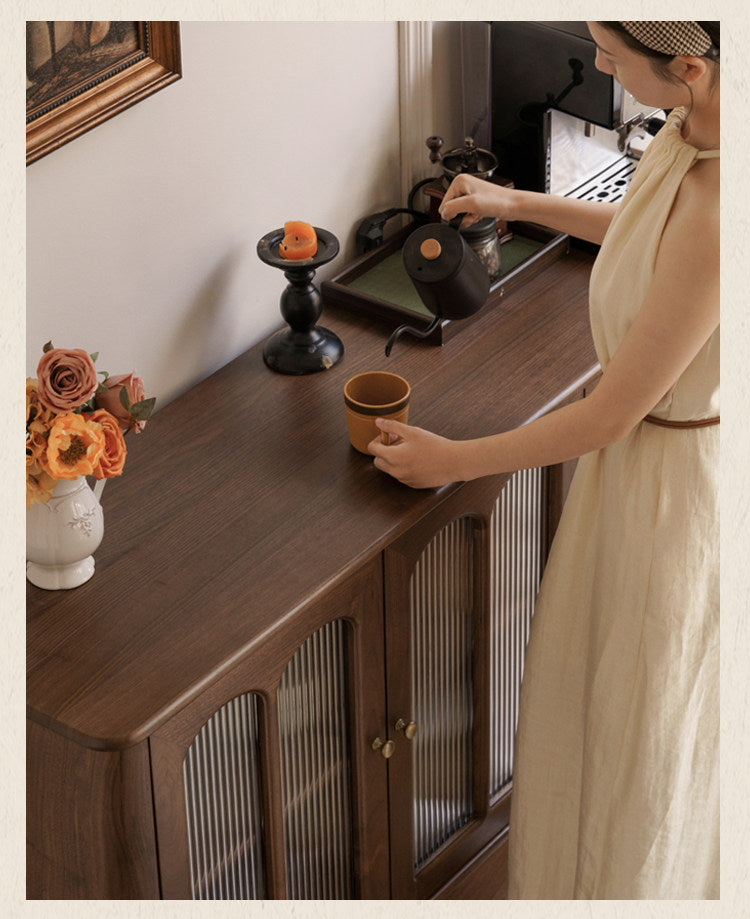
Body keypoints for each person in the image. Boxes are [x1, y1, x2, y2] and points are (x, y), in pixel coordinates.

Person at [368, 21, 719, 899]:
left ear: (690, 66)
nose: (597, 64)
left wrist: (455, 457)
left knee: (634, 732)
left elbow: (608, 415)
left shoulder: (726, 210)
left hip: (668, 496)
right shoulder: (695, 132)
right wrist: (517, 202)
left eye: (613, 56)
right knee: (595, 704)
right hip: (634, 469)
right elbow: (645, 227)